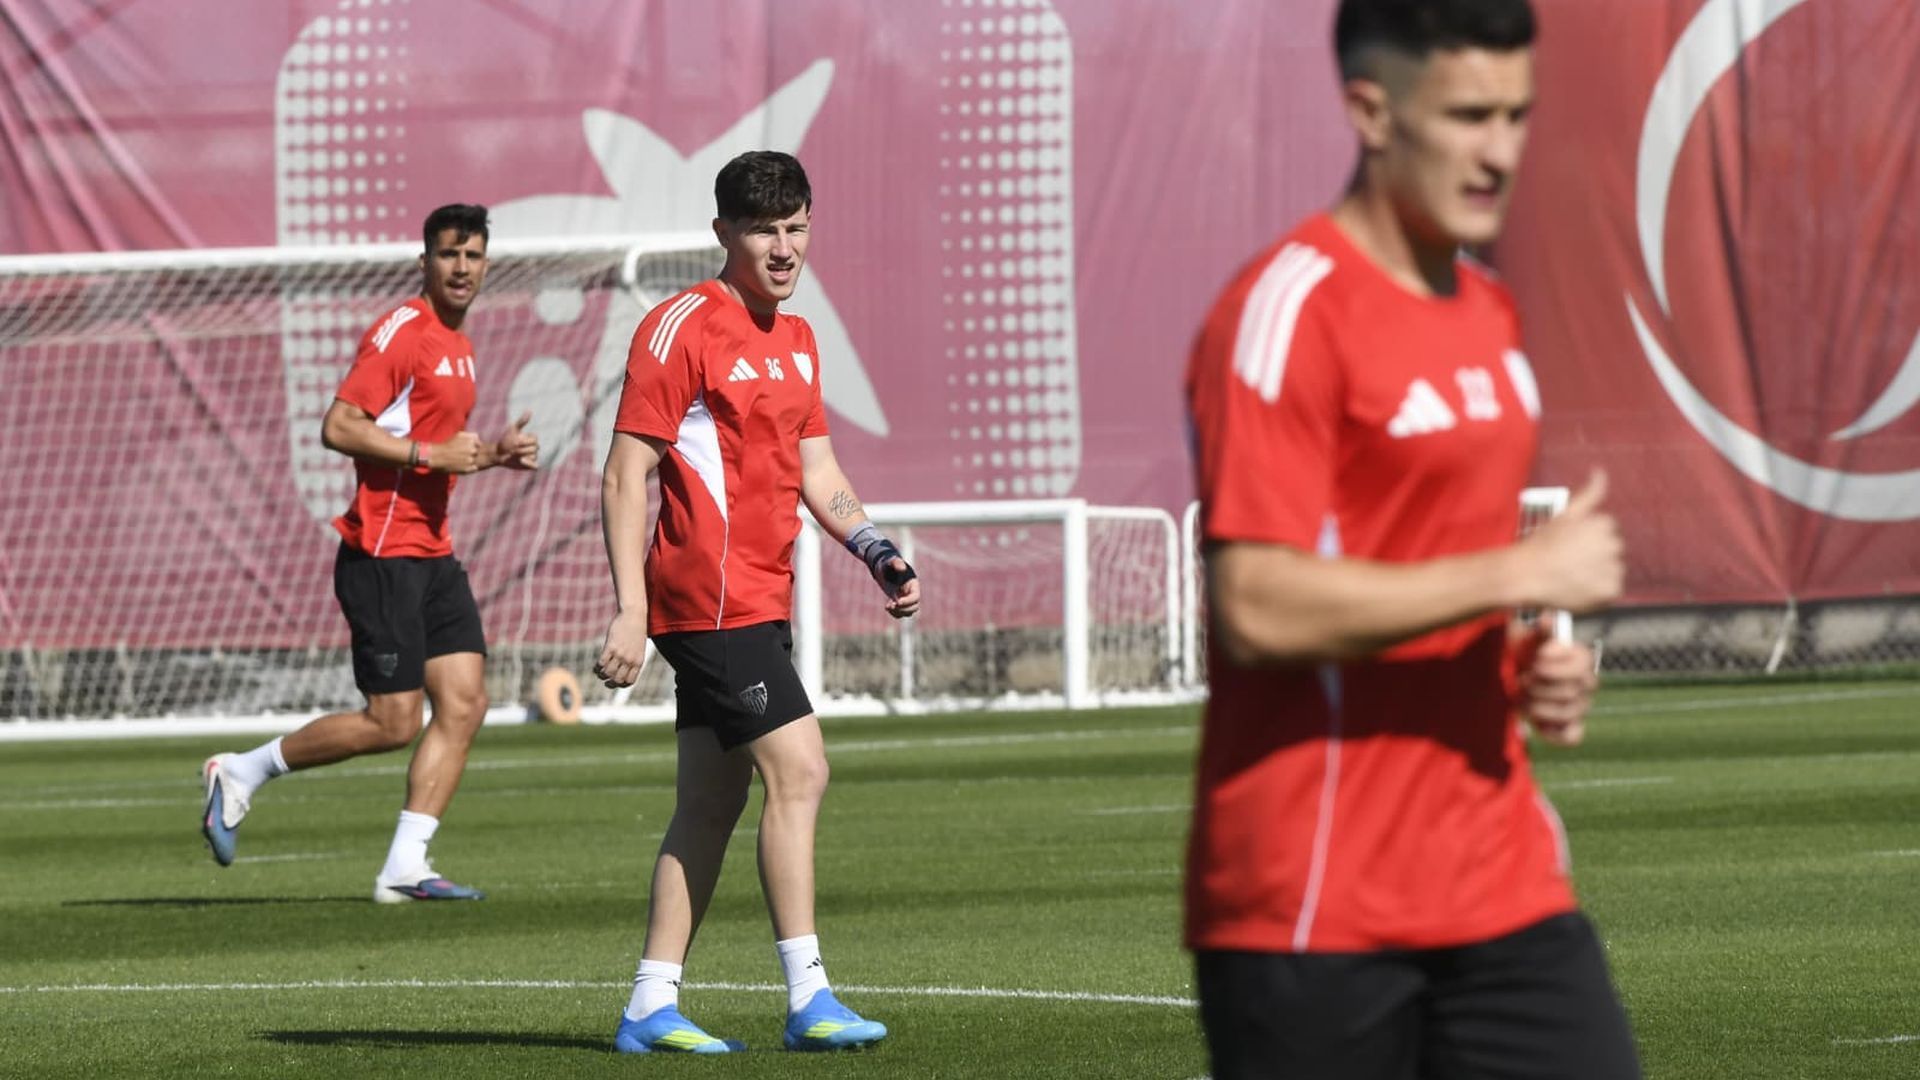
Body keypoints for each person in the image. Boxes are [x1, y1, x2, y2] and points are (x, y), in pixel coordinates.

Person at [1182, 1, 1642, 1077]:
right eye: (1470, 115)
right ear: (1371, 112)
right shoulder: (1285, 311)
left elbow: (1416, 568)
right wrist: (1519, 572)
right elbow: (1255, 605)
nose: (1501, 151)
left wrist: (1519, 661)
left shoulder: (1489, 310)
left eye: (1518, 115)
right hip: (1316, 902)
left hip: (1500, 880)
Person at [593, 150, 919, 1055]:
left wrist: (875, 549)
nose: (785, 248)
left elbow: (819, 470)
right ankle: (809, 996)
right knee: (802, 771)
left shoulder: (801, 339)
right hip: (705, 604)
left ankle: (650, 1006)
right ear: (723, 233)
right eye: (765, 229)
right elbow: (626, 476)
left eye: (797, 227)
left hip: (759, 602)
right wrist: (629, 608)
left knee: (711, 800)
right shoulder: (678, 328)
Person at [199, 203, 538, 904]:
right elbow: (339, 426)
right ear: (425, 261)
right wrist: (427, 453)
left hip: (433, 553)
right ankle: (243, 772)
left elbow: (436, 449)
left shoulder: (459, 343)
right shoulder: (402, 333)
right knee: (393, 722)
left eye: (473, 255)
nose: (463, 267)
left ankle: (404, 867)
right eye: (450, 254)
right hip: (382, 555)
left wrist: (492, 455)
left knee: (466, 703)